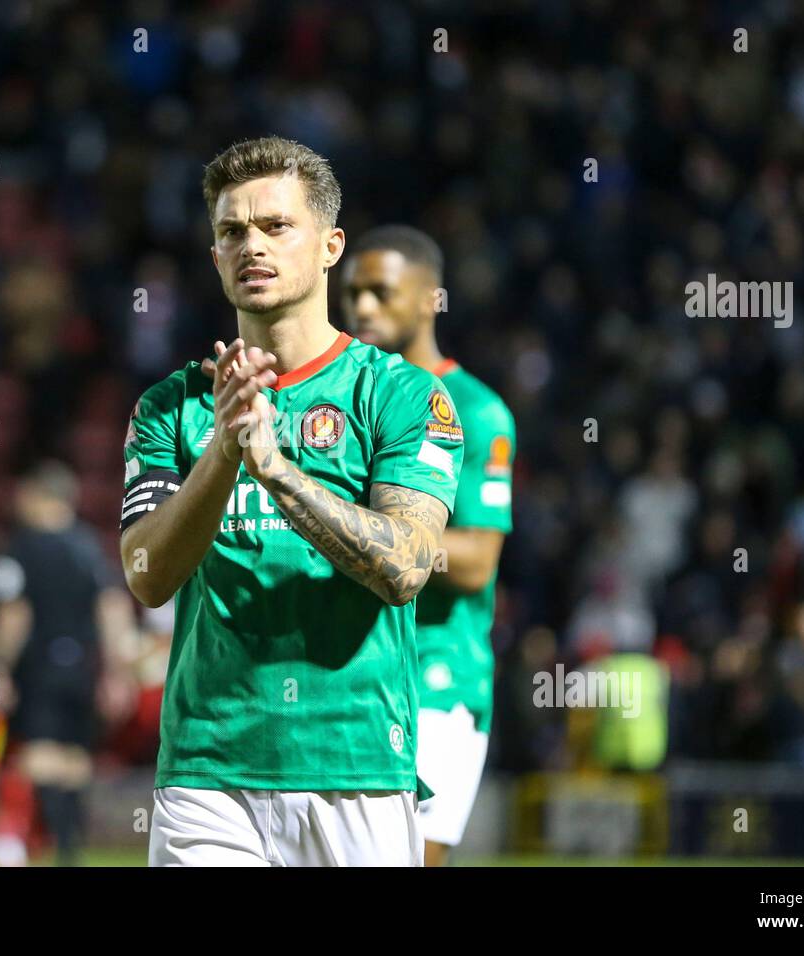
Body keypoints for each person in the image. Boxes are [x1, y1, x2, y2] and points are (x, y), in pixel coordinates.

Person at [121, 136, 464, 867]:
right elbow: (147, 574)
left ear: (331, 245)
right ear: (215, 258)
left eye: (276, 226)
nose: (253, 245)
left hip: (356, 769)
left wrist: (277, 471)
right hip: (208, 773)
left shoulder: (402, 395)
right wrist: (223, 452)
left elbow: (406, 566)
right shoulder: (169, 408)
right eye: (232, 231)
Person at [342, 225, 517, 866]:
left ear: (429, 300)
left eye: (381, 293)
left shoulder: (477, 411)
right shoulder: (340, 402)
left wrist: (385, 539)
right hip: (352, 675)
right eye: (353, 293)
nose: (362, 308)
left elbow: (474, 561)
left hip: (437, 679)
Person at [0, 461, 138, 866]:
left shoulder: (22, 548)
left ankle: (50, 851)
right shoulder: (90, 548)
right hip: (83, 667)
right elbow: (113, 606)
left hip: (41, 666)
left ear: (38, 497)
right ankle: (69, 850)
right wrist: (118, 670)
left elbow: (14, 613)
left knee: (39, 757)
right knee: (75, 760)